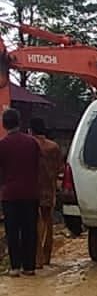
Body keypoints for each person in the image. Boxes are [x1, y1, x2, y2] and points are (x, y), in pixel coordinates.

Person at [0, 108, 40, 277]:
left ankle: (15, 267)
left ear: (4, 124)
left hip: (10, 194)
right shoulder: (32, 143)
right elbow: (37, 166)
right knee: (30, 230)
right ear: (19, 122)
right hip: (31, 193)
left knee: (12, 231)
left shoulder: (2, 145)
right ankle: (29, 266)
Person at [29, 116, 63, 269]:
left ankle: (37, 259)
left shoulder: (30, 145)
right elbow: (60, 169)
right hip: (49, 189)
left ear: (30, 130)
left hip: (32, 189)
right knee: (48, 222)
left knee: (34, 223)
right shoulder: (54, 147)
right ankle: (47, 257)